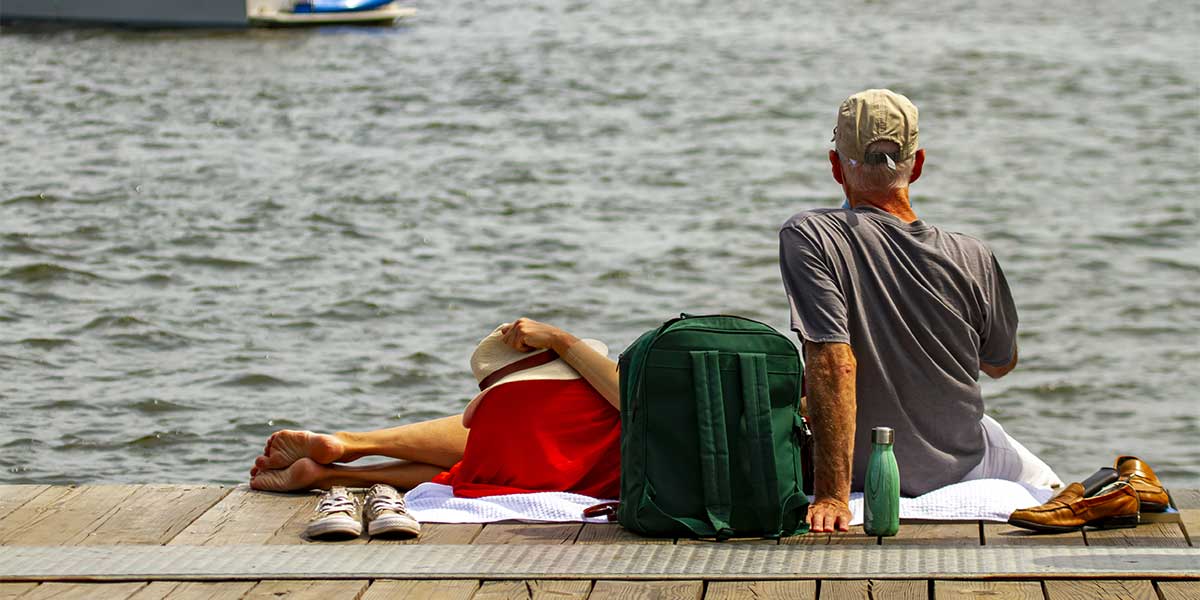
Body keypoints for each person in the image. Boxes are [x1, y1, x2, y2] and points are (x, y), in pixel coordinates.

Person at [779, 89, 1063, 534]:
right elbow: (1000, 364)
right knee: (1056, 487)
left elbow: (835, 364)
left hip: (860, 472)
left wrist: (834, 496)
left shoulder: (811, 234)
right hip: (964, 462)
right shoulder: (974, 255)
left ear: (836, 166)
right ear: (920, 163)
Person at [249, 318, 621, 497]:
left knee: (495, 451)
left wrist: (559, 339)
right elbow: (633, 400)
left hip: (519, 425)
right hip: (590, 461)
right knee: (474, 470)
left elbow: (628, 397)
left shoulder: (505, 399)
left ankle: (350, 444)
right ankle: (334, 474)